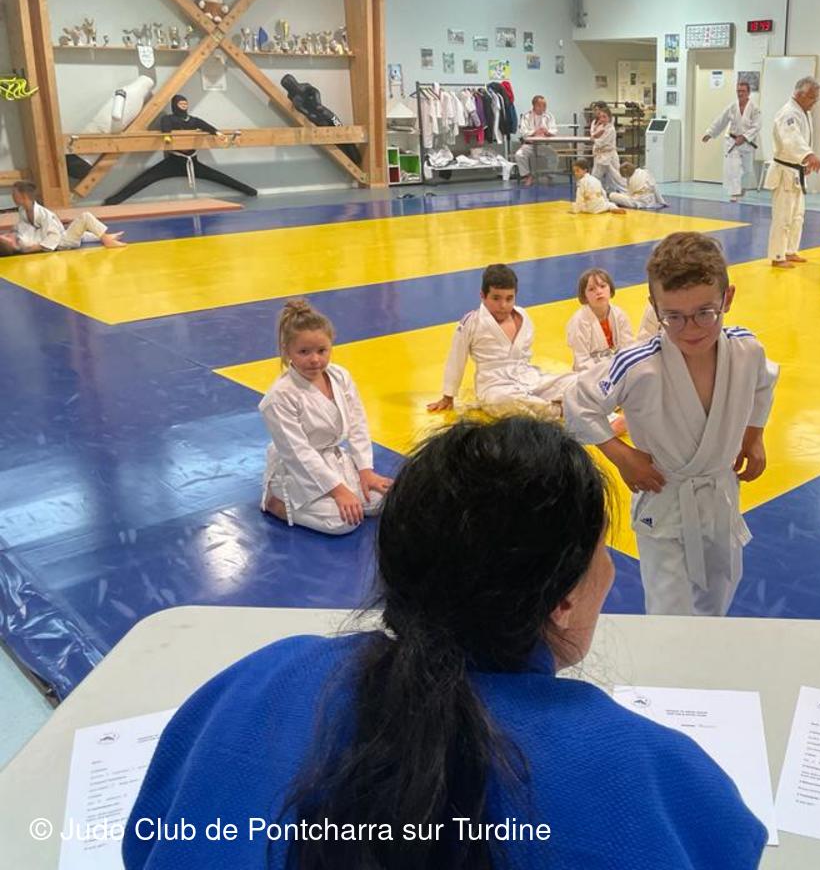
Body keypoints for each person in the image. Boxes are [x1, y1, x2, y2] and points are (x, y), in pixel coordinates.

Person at [122, 417, 768, 869]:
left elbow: (145, 844)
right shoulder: (637, 770)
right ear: (564, 598)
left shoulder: (261, 683)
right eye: (603, 553)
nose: (611, 572)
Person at [564, 232, 778, 617]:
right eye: (673, 316)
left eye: (705, 313)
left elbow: (765, 382)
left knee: (718, 598)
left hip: (720, 496)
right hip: (664, 497)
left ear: (727, 298)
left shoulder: (747, 349)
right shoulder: (638, 364)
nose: (690, 329)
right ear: (654, 306)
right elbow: (577, 402)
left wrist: (754, 435)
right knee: (669, 611)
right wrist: (622, 456)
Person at [259, 299, 391, 535]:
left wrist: (365, 471)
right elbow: (298, 453)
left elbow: (358, 424)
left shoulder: (340, 376)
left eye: (322, 351)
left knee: (380, 501)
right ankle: (276, 502)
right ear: (286, 351)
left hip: (332, 459)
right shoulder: (279, 397)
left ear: (331, 346)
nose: (314, 360)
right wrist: (339, 491)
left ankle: (342, 490)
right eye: (304, 352)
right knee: (344, 522)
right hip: (296, 470)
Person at [428, 264, 577, 414]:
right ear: (482, 296)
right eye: (496, 298)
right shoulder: (471, 322)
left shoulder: (523, 316)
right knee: (503, 402)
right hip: (495, 386)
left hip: (529, 378)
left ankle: (550, 406)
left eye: (509, 298)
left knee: (577, 381)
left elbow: (525, 355)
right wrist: (448, 396)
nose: (503, 305)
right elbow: (456, 358)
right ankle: (559, 410)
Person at [103, 95, 258, 205]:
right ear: (175, 105)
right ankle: (114, 201)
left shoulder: (194, 120)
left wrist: (217, 133)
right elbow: (166, 128)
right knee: (144, 179)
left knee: (219, 177)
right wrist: (167, 138)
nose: (184, 106)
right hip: (173, 161)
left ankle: (250, 191)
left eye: (185, 104)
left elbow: (206, 126)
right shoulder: (168, 119)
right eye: (181, 104)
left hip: (192, 161)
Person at [764, 76, 820, 269]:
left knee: (797, 216)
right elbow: (791, 139)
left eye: (816, 98)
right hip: (785, 172)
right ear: (800, 94)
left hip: (796, 171)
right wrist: (808, 155)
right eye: (812, 97)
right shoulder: (788, 113)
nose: (814, 102)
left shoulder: (804, 112)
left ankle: (790, 250)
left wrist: (804, 161)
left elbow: (802, 139)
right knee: (782, 217)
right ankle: (777, 256)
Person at [2, 180, 126, 255]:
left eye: (14, 194)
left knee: (84, 219)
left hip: (58, 240)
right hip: (59, 241)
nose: (12, 196)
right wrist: (15, 234)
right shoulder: (23, 210)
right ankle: (105, 237)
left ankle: (106, 238)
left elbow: (54, 235)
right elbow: (26, 227)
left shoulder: (43, 214)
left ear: (24, 197)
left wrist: (36, 247)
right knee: (80, 225)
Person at [567, 267, 636, 371]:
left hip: (619, 370)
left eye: (603, 286)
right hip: (591, 374)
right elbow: (581, 361)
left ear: (610, 289)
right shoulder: (579, 322)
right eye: (591, 289)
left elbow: (629, 347)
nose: (599, 292)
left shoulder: (619, 315)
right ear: (584, 296)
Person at [701, 81, 761, 200]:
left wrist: (744, 137)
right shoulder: (732, 107)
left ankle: (742, 188)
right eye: (738, 91)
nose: (740, 93)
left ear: (748, 93)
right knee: (734, 168)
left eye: (743, 91)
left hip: (747, 143)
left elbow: (757, 126)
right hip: (733, 141)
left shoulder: (755, 108)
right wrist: (710, 133)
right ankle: (735, 193)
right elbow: (721, 120)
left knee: (747, 171)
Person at [513, 94, 558, 186]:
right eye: (542, 105)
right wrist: (535, 132)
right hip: (529, 145)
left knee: (553, 155)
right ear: (535, 105)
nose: (544, 107)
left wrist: (547, 132)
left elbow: (554, 130)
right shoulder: (526, 116)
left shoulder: (549, 116)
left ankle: (550, 175)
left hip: (543, 145)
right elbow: (523, 132)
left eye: (545, 105)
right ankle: (527, 176)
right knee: (519, 155)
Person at [589, 103, 626, 193]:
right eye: (601, 117)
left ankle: (627, 192)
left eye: (604, 117)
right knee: (596, 176)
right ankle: (594, 192)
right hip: (600, 155)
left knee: (616, 177)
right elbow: (593, 134)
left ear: (609, 117)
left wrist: (594, 138)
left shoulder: (611, 129)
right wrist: (595, 135)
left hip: (610, 156)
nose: (602, 119)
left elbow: (601, 142)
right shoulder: (600, 126)